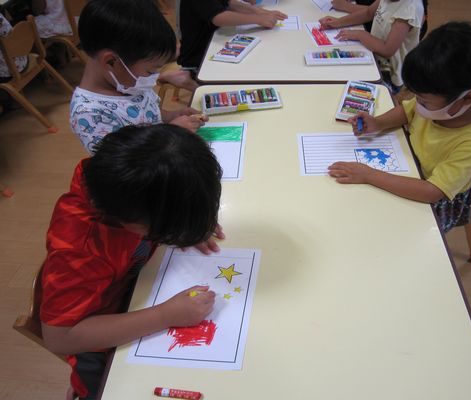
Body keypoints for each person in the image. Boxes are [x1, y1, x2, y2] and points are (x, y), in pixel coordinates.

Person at [41, 123, 224, 400]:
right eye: (166, 226)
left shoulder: (117, 179)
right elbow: (58, 337)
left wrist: (188, 222)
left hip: (133, 286)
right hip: (99, 344)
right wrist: (165, 316)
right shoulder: (81, 250)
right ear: (128, 217)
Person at [328, 22, 471, 233]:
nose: (418, 105)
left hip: (431, 200)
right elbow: (407, 111)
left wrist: (369, 175)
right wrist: (378, 123)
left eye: (424, 102)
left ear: (468, 98)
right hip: (408, 165)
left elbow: (432, 191)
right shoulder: (443, 103)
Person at [70, 0, 206, 154]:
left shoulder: (128, 83)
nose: (154, 77)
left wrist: (172, 116)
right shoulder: (89, 113)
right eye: (150, 71)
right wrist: (172, 132)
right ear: (111, 61)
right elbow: (123, 163)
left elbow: (149, 114)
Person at [319, 0, 424, 94]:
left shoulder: (408, 10)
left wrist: (360, 35)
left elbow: (387, 50)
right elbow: (368, 13)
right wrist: (337, 22)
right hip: (373, 56)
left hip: (388, 74)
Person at [178, 0, 287, 70]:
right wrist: (259, 19)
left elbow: (229, 3)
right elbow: (219, 17)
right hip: (200, 57)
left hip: (216, 42)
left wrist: (260, 12)